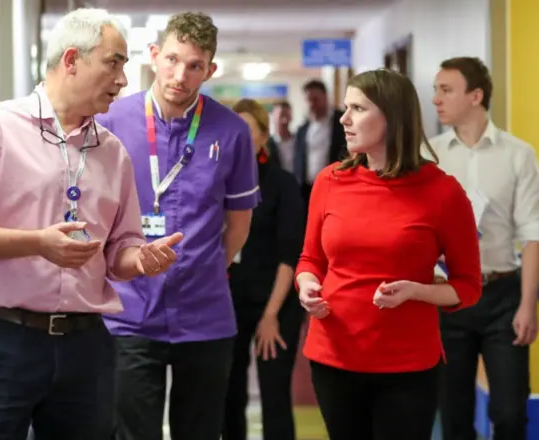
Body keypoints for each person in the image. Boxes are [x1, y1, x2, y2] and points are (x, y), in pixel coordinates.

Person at [0, 9, 183, 440]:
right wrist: (36, 243)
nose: (123, 80)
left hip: (87, 344)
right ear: (71, 60)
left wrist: (140, 259)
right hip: (5, 338)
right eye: (114, 63)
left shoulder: (113, 152)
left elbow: (118, 250)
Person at [95, 12, 260, 440]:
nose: (179, 75)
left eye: (194, 65)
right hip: (128, 313)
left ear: (210, 70)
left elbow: (238, 224)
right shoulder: (111, 123)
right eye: (171, 60)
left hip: (205, 316)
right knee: (131, 432)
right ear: (153, 56)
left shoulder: (232, 131)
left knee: (201, 431)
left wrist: (205, 267)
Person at [295, 68, 482, 440]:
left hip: (407, 364)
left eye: (358, 109)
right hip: (334, 355)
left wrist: (417, 291)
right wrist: (307, 286)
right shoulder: (330, 181)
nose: (344, 119)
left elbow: (468, 287)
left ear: (392, 116)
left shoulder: (443, 192)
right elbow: (310, 259)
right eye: (345, 108)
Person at [430, 56, 539, 440]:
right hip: (448, 296)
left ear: (476, 95)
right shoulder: (431, 156)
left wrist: (529, 305)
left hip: (502, 295)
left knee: (510, 414)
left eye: (446, 90)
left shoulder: (518, 154)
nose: (436, 99)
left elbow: (532, 233)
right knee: (454, 416)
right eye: (435, 90)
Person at [222, 98, 306, 440]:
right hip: (229, 303)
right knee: (230, 394)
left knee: (274, 395)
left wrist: (270, 315)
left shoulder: (282, 184)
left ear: (263, 137)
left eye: (247, 132)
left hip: (276, 302)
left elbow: (290, 256)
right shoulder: (219, 181)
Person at [268, 79, 345, 205]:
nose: (312, 104)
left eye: (315, 99)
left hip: (336, 187)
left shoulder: (341, 122)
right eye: (308, 100)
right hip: (308, 190)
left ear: (325, 97)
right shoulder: (303, 129)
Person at [267, 101, 295, 173]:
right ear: (273, 117)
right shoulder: (267, 145)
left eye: (287, 116)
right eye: (281, 115)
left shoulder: (299, 142)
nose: (284, 120)